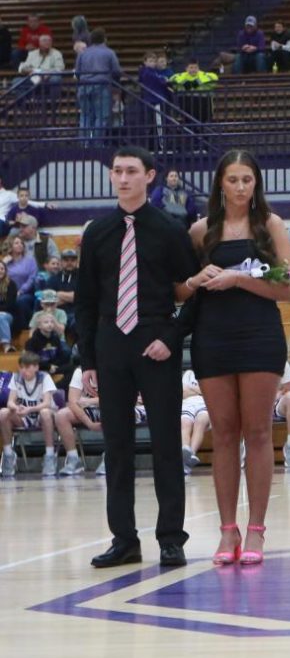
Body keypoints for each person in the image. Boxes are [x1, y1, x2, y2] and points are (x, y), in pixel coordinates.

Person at [75, 146, 200, 568]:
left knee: (166, 443)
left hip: (156, 344)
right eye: (117, 171)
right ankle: (124, 539)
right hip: (111, 346)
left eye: (131, 171)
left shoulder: (168, 229)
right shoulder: (97, 232)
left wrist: (170, 336)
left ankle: (171, 538)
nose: (123, 178)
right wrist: (88, 359)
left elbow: (192, 290)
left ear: (150, 176)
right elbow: (86, 301)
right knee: (117, 446)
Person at [180, 148, 290, 565]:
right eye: (233, 180)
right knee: (224, 434)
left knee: (259, 432)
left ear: (256, 183)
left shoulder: (271, 226)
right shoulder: (199, 232)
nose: (241, 187)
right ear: (220, 183)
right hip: (212, 338)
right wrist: (195, 280)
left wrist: (239, 279)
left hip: (260, 336)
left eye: (248, 179)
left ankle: (256, 531)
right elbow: (179, 291)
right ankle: (227, 531)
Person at [0, 352, 58, 477]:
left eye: (27, 367)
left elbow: (47, 403)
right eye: (21, 367)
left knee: (45, 412)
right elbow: (10, 402)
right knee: (3, 413)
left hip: (41, 415)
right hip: (24, 416)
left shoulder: (44, 377)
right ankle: (9, 454)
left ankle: (49, 455)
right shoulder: (16, 378)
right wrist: (16, 407)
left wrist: (29, 409)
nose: (23, 371)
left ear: (36, 367)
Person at [54, 365, 104, 477]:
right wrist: (89, 424)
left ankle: (111, 457)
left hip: (110, 407)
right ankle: (73, 460)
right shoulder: (80, 371)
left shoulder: (112, 366)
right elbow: (73, 401)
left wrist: (90, 401)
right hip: (89, 409)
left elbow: (116, 397)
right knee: (61, 415)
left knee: (116, 409)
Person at [74, 29, 122, 142]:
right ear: (104, 39)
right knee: (101, 116)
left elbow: (77, 72)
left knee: (85, 116)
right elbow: (116, 71)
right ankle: (97, 144)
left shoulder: (83, 53)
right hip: (102, 86)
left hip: (84, 86)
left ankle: (84, 144)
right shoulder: (109, 52)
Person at [179, 370, 209, 472]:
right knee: (185, 423)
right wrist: (200, 390)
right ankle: (186, 450)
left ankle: (191, 453)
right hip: (187, 404)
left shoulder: (209, 373)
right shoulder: (188, 373)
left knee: (200, 422)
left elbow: (211, 393)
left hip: (205, 404)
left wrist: (191, 388)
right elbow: (182, 392)